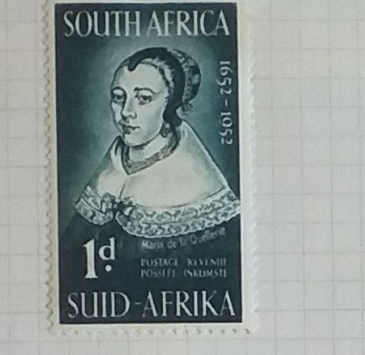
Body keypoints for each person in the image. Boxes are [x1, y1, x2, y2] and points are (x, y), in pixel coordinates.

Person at [65, 46, 238, 290]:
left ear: (170, 104)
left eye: (144, 98)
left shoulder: (200, 191)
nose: (126, 112)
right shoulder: (109, 171)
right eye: (118, 97)